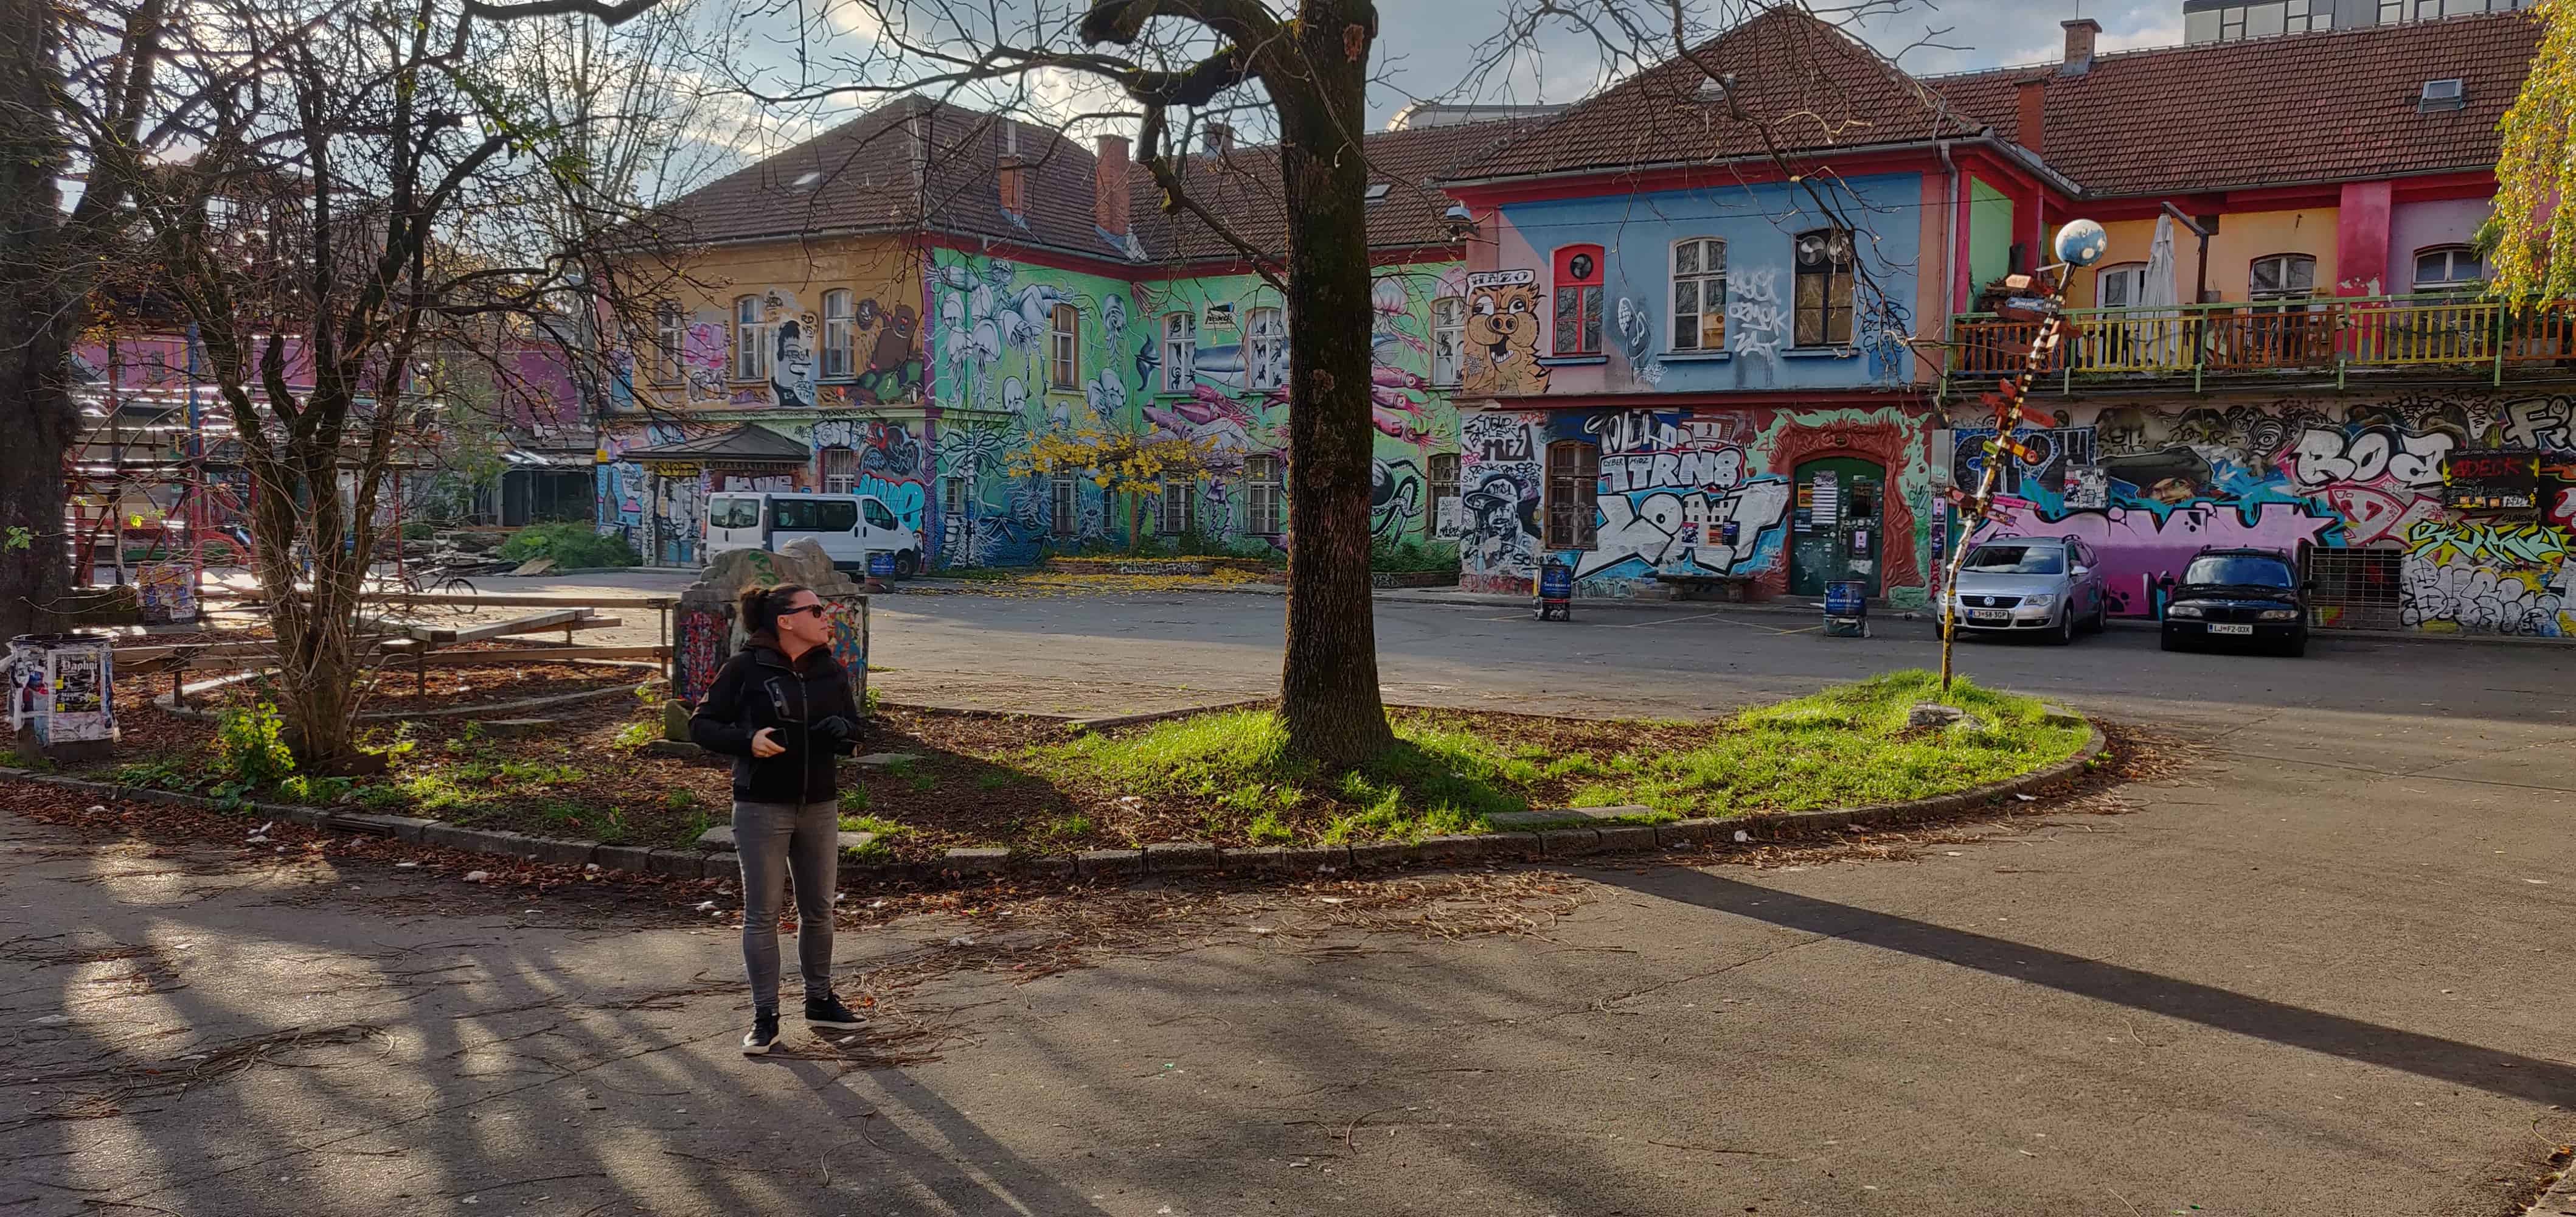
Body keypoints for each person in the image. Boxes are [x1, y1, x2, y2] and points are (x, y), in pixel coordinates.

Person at [689, 583, 868, 1055]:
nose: (826, 616)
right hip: (760, 806)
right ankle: (765, 1016)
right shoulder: (744, 668)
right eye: (815, 610)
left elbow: (856, 729)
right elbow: (702, 724)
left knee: (820, 911)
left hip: (820, 805)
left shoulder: (830, 668)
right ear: (785, 621)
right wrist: (747, 740)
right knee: (763, 914)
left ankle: (820, 1001)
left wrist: (845, 732)